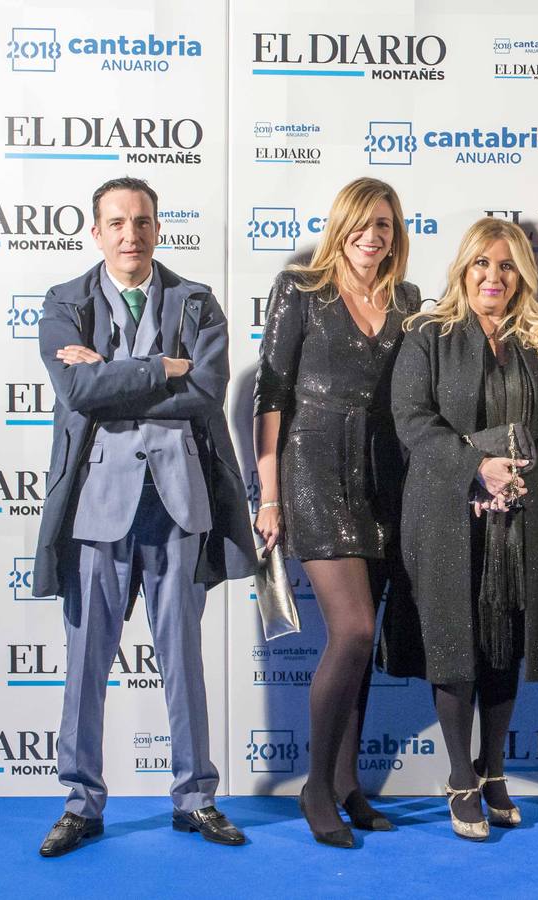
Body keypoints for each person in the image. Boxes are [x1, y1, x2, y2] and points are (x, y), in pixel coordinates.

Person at [33, 177, 256, 857]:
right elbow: (77, 389)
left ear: (159, 229)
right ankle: (81, 802)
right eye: (117, 222)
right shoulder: (64, 302)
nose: (131, 233)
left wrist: (115, 380)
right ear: (96, 232)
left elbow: (206, 393)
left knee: (183, 661)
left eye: (143, 221)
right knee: (84, 664)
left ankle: (195, 798)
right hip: (97, 509)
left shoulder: (196, 302)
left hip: (179, 502)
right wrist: (161, 366)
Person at [384, 218, 538, 841]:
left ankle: (494, 769)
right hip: (447, 511)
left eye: (505, 266)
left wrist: (521, 477)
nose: (492, 277)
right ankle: (457, 774)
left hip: (522, 511)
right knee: (453, 639)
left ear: (520, 273)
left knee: (506, 639)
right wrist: (477, 469)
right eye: (481, 265)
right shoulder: (427, 334)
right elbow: (412, 420)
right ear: (463, 269)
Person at [252, 177, 420, 848]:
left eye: (384, 224)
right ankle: (315, 785)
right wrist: (268, 492)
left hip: (386, 480)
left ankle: (348, 782)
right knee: (349, 632)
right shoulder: (301, 290)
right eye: (362, 222)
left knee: (365, 646)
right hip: (315, 473)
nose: (372, 235)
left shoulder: (408, 300)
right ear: (341, 226)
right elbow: (270, 391)